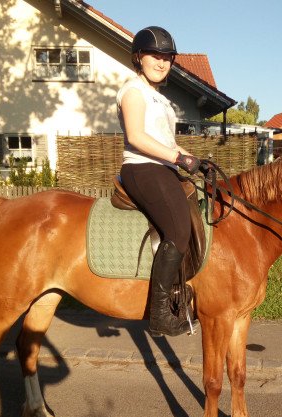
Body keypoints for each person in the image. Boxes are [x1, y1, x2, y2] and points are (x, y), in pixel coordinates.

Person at [116, 26, 200, 337]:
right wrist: (178, 159)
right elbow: (137, 138)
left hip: (163, 167)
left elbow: (169, 143)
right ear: (139, 57)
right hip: (142, 168)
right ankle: (160, 313)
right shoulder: (133, 92)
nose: (162, 62)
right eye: (155, 55)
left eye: (167, 57)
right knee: (178, 228)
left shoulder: (161, 100)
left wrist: (196, 161)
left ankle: (182, 291)